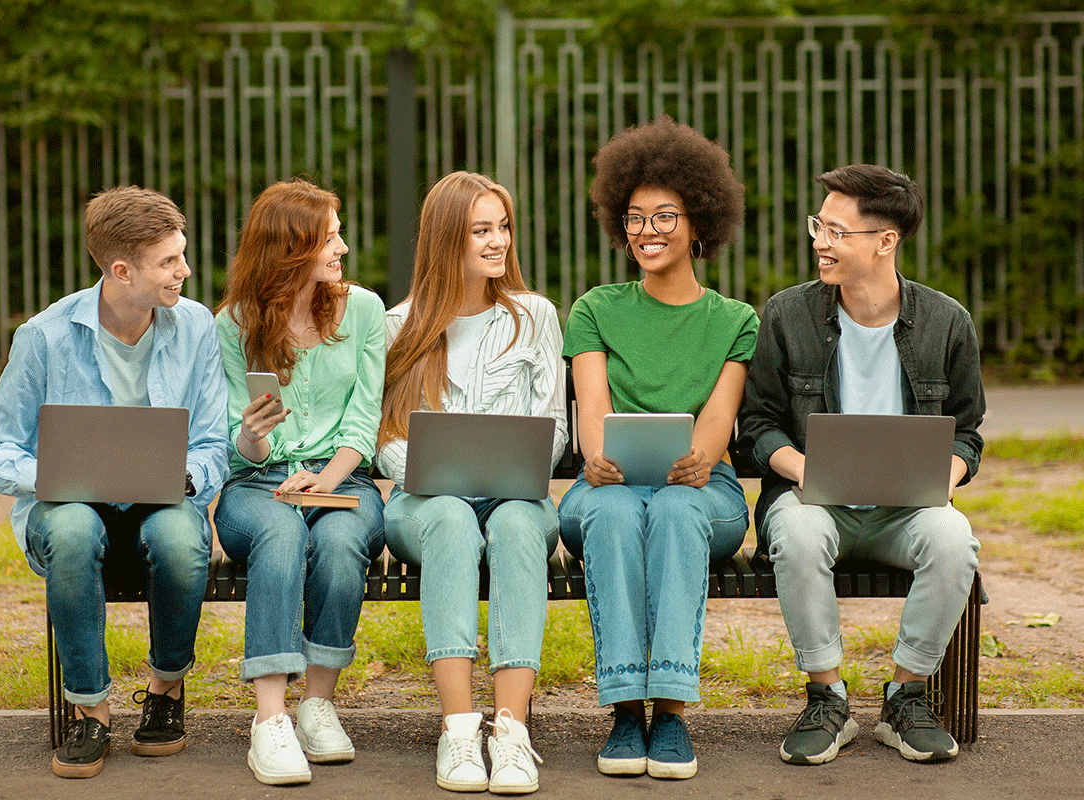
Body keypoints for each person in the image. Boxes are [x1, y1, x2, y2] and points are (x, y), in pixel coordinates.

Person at [0, 186, 230, 779]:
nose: (185, 272)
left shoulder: (194, 328)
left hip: (163, 499)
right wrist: (60, 476)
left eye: (181, 255)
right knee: (70, 528)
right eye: (169, 262)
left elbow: (212, 442)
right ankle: (91, 710)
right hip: (72, 506)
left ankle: (164, 692)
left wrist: (185, 476)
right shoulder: (46, 336)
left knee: (178, 539)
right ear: (121, 270)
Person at [737, 164, 984, 765]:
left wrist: (939, 479)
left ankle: (905, 696)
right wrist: (806, 470)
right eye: (818, 225)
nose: (820, 241)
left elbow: (968, 434)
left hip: (907, 508)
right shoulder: (787, 315)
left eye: (836, 231)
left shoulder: (946, 322)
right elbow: (759, 427)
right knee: (795, 533)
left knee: (954, 540)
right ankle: (826, 698)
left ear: (885, 241)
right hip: (813, 500)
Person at [556, 117, 758, 780]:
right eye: (636, 217)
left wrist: (700, 457)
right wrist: (596, 456)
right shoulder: (595, 310)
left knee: (672, 510)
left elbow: (720, 417)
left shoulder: (735, 321)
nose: (649, 230)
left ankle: (669, 711)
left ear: (698, 223)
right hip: (609, 486)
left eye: (666, 216)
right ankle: (623, 710)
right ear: (620, 224)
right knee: (614, 513)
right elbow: (593, 408)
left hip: (703, 494)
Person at [377, 171, 567, 794]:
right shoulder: (398, 325)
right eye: (481, 230)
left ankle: (511, 732)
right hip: (426, 506)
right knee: (455, 520)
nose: (498, 242)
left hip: (517, 496)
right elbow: (385, 440)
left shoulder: (533, 316)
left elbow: (554, 428)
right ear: (444, 240)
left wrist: (520, 466)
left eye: (503, 227)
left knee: (515, 522)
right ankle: (459, 729)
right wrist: (439, 476)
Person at [212, 180, 386, 786]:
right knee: (281, 534)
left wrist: (326, 479)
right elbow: (244, 445)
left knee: (340, 544)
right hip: (258, 484)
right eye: (329, 236)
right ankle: (269, 720)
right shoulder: (232, 324)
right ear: (291, 248)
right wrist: (256, 436)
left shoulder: (362, 310)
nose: (342, 246)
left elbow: (364, 421)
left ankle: (317, 703)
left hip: (343, 480)